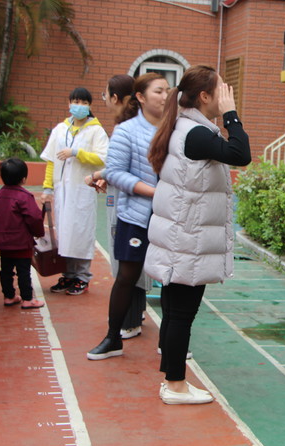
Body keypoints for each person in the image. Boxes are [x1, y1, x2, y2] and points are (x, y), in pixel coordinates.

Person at [144, 65, 251, 405]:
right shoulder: (196, 134)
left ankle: (171, 379)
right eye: (222, 90)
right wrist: (231, 114)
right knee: (181, 315)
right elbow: (241, 155)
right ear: (205, 96)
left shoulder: (184, 127)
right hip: (188, 240)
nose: (226, 95)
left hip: (181, 236)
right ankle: (175, 385)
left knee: (174, 312)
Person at [85, 72, 168, 360]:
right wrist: (152, 192)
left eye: (167, 90)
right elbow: (116, 172)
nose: (165, 96)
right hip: (135, 216)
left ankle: (171, 342)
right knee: (126, 276)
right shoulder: (126, 131)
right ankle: (113, 338)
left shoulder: (175, 129)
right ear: (141, 97)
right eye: (158, 91)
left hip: (169, 217)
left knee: (172, 278)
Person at [96, 74, 151, 340]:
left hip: (134, 206)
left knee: (129, 266)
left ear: (116, 97)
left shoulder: (131, 127)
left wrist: (104, 174)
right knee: (131, 265)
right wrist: (105, 175)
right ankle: (131, 318)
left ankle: (129, 322)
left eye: (105, 94)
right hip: (133, 201)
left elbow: (126, 169)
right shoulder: (132, 125)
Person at [40, 87, 108, 295]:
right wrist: (47, 187)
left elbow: (103, 158)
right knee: (64, 233)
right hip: (63, 190)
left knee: (81, 232)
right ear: (69, 103)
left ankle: (82, 276)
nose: (79, 106)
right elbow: (51, 160)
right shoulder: (61, 129)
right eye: (75, 101)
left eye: (83, 102)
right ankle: (68, 274)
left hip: (82, 190)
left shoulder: (96, 131)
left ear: (89, 105)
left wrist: (77, 153)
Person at [0, 157, 46, 309]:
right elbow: (34, 217)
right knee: (23, 271)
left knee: (6, 270)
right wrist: (38, 232)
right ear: (23, 178)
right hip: (21, 241)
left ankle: (8, 296)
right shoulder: (24, 196)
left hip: (3, 241)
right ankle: (27, 299)